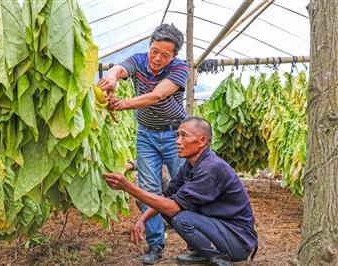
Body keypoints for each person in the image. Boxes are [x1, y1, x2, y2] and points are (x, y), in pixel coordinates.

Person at [102, 117, 258, 266]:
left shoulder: (210, 168)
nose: (177, 141)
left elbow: (173, 207)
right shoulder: (190, 165)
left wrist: (127, 186)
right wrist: (142, 219)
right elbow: (165, 196)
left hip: (238, 241)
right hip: (221, 230)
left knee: (180, 217)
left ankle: (215, 256)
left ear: (202, 141)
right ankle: (204, 252)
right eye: (178, 135)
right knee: (163, 207)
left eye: (183, 136)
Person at [97, 23, 189, 263]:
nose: (157, 58)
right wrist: (111, 77)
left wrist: (123, 103)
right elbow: (120, 67)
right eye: (154, 51)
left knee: (186, 188)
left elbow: (157, 95)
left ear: (174, 56)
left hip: (175, 135)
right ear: (149, 46)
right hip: (146, 135)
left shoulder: (180, 68)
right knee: (147, 190)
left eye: (165, 55)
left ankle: (196, 243)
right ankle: (155, 245)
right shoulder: (139, 60)